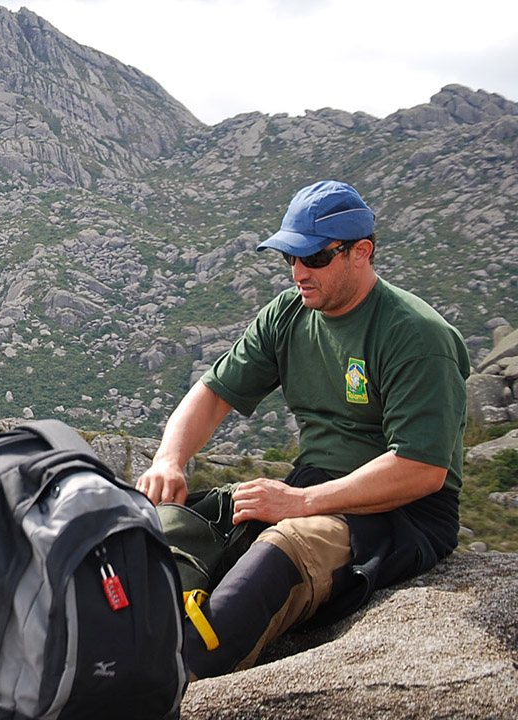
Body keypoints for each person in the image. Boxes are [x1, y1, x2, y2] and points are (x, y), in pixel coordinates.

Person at [136, 179, 470, 677]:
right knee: (163, 532)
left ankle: (182, 674)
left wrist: (301, 504)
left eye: (314, 259)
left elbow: (421, 469)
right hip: (313, 482)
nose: (298, 273)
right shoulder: (289, 314)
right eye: (290, 258)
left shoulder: (416, 336)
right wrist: (169, 458)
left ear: (361, 252)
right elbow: (214, 393)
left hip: (403, 512)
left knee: (275, 558)